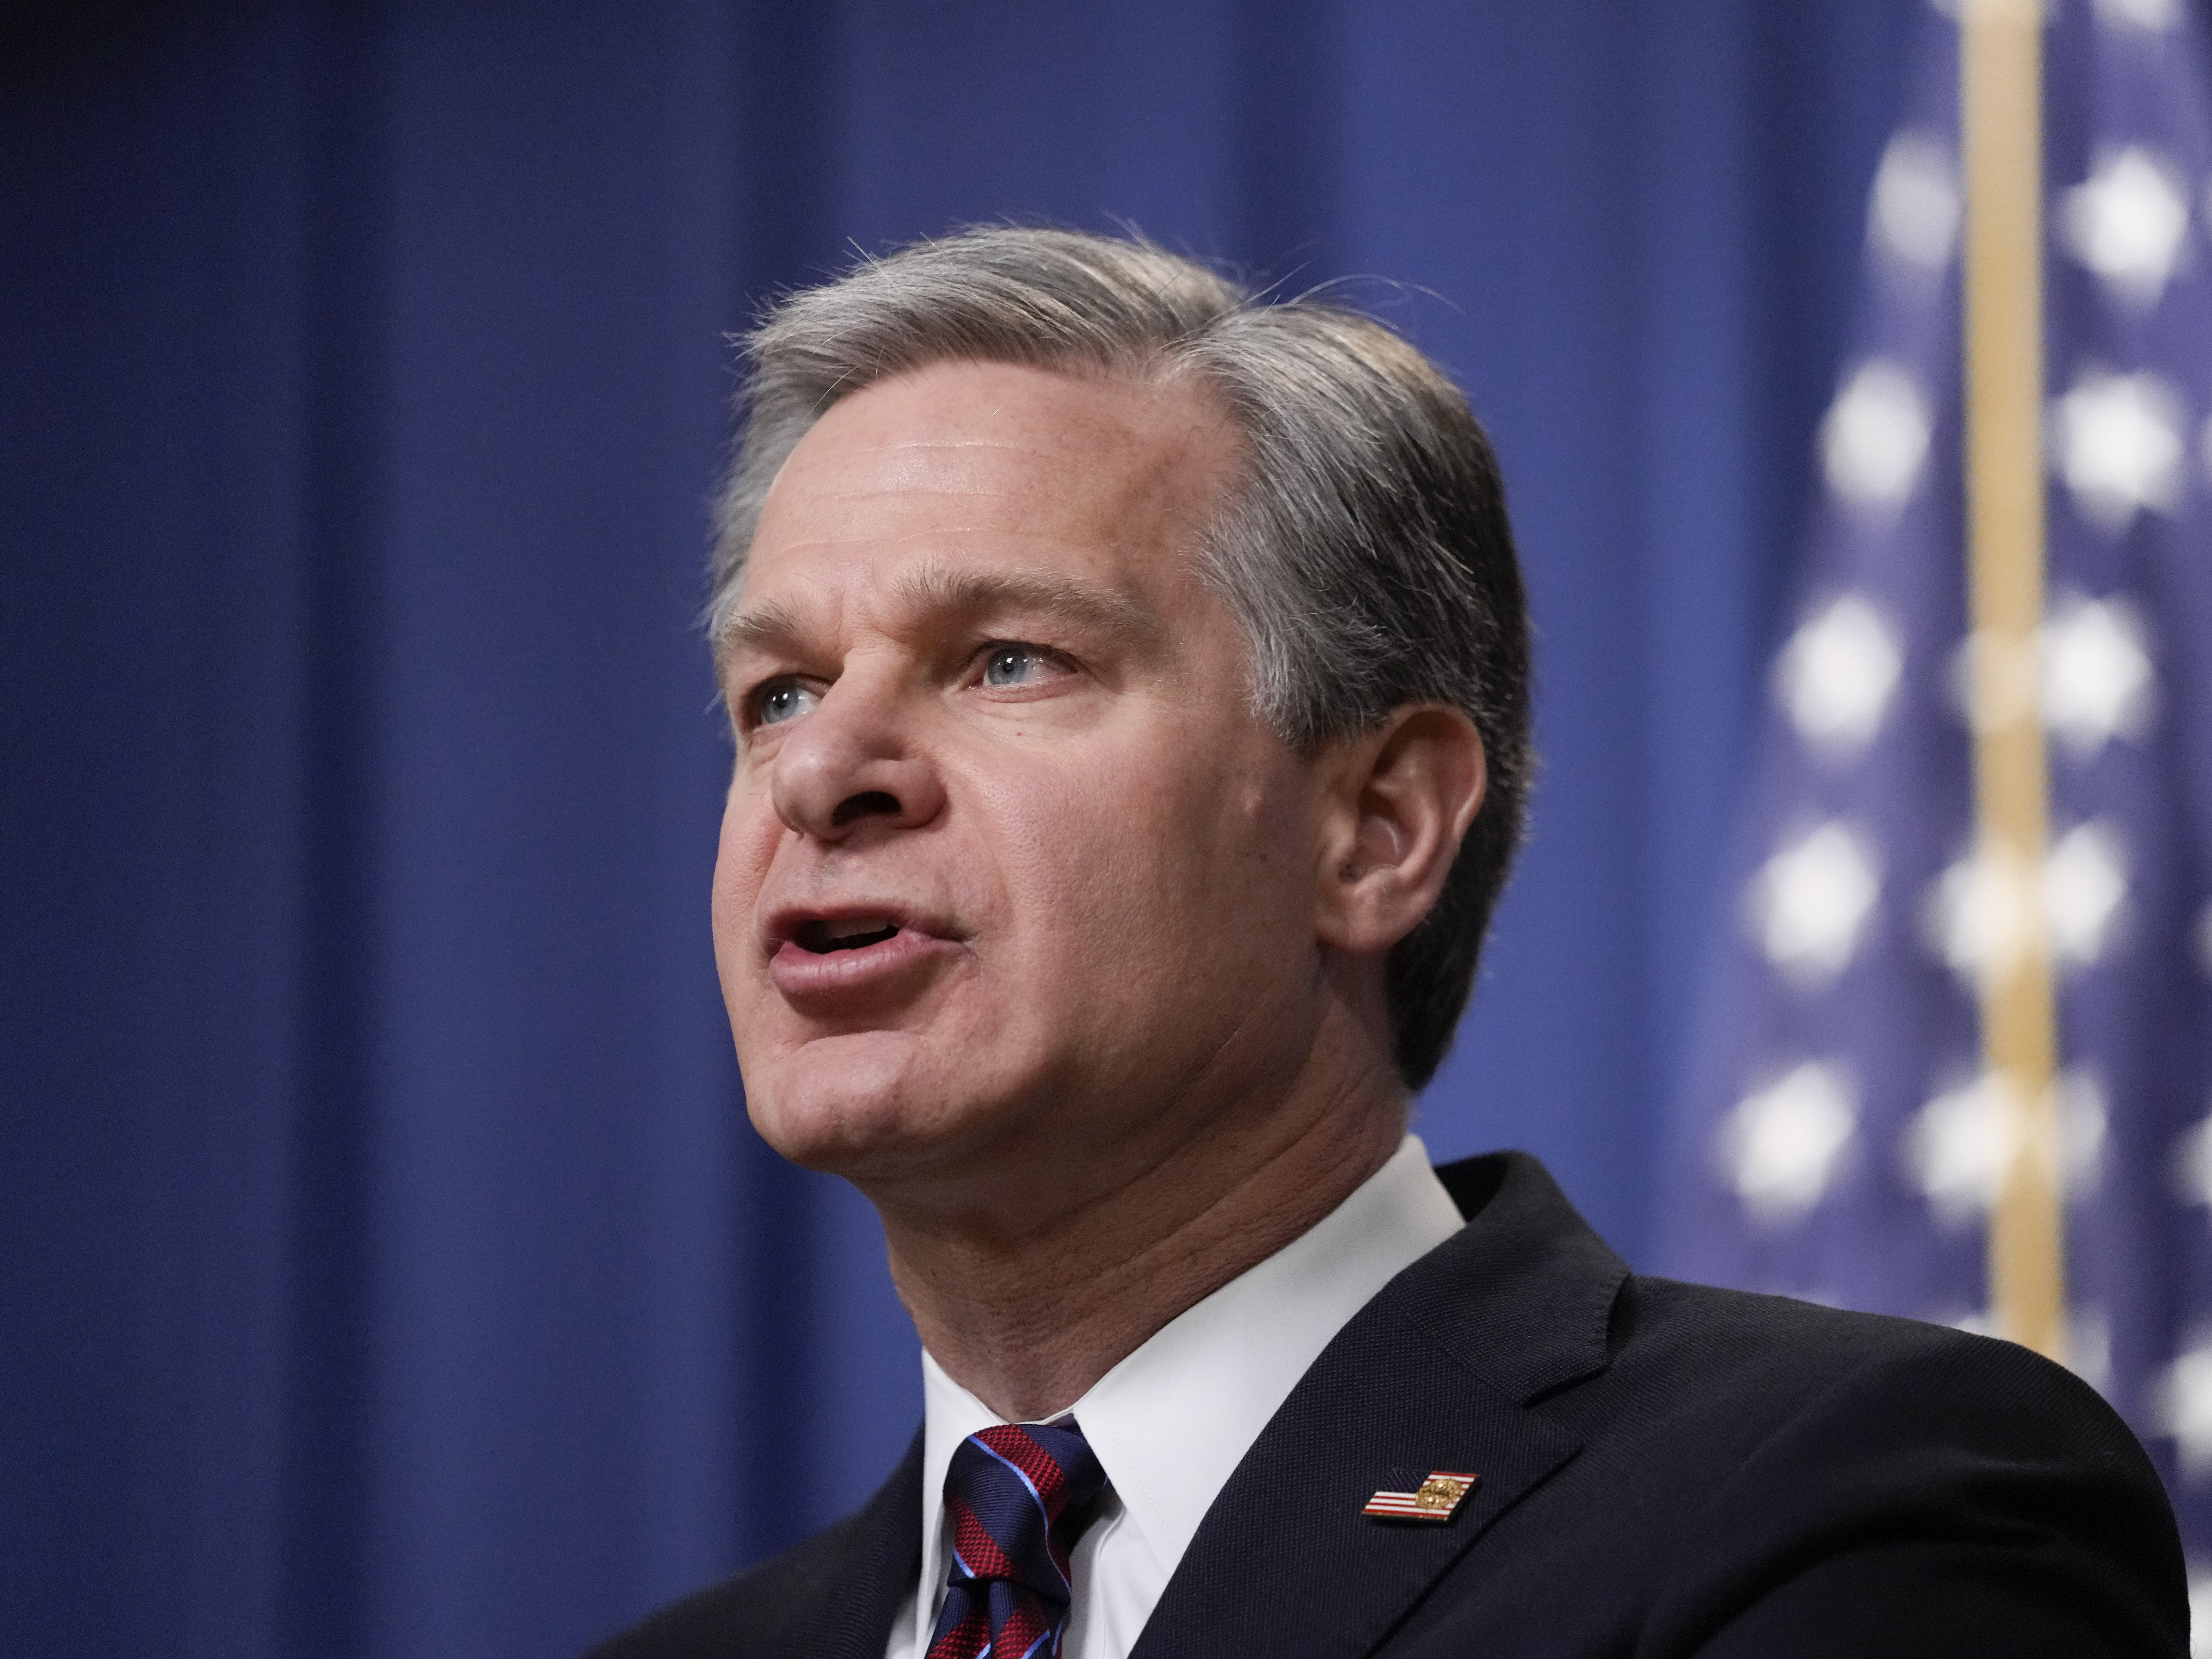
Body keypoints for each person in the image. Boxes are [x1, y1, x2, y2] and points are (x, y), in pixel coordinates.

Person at [589, 227, 2185, 1658]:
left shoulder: (1856, 1507)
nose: (820, 772)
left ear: (1376, 827)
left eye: (1009, 659)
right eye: (778, 692)